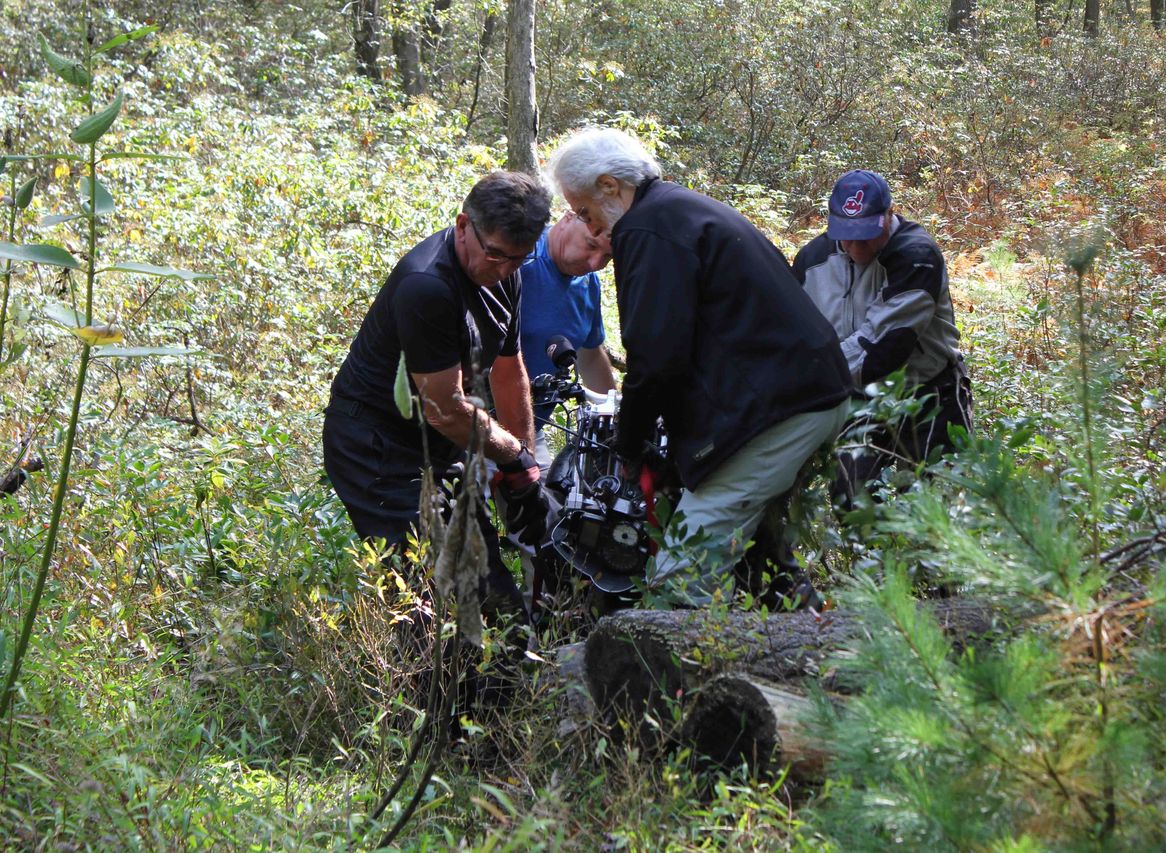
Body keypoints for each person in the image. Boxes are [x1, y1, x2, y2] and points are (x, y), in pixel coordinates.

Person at [547, 128, 854, 607]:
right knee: (759, 554)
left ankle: (676, 671)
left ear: (609, 186)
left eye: (584, 210)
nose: (589, 227)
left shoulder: (646, 228)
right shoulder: (680, 209)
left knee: (681, 574)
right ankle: (815, 652)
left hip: (777, 410)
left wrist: (630, 446)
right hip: (809, 395)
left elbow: (655, 355)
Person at [322, 170, 552, 622]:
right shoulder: (427, 285)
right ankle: (428, 687)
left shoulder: (506, 268)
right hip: (377, 449)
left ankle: (497, 683)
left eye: (519, 260)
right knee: (435, 598)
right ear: (463, 225)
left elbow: (509, 371)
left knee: (492, 594)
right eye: (497, 256)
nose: (504, 270)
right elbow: (445, 408)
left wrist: (526, 467)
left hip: (440, 442)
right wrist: (511, 456)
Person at [791, 169, 973, 504]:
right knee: (852, 503)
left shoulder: (917, 257)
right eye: (847, 234)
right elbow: (791, 333)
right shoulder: (812, 261)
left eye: (866, 234)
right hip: (856, 401)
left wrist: (805, 376)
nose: (856, 246)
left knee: (929, 509)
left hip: (928, 395)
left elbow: (880, 350)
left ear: (889, 215)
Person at [518, 212, 616, 469]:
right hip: (479, 422)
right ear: (569, 217)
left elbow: (590, 355)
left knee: (549, 505)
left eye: (607, 256)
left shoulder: (588, 283)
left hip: (531, 427)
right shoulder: (520, 257)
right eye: (591, 245)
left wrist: (614, 418)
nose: (596, 263)